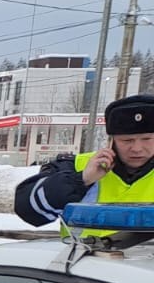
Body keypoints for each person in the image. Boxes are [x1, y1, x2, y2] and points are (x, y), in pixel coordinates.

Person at [15, 94, 154, 229]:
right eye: (127, 140)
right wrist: (80, 180)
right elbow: (28, 209)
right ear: (112, 141)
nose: (137, 148)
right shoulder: (76, 166)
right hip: (84, 252)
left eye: (147, 139)